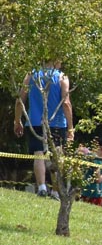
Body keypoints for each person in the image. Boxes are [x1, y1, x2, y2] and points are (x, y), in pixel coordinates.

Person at [13, 61, 73, 198]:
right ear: (56, 60)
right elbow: (66, 103)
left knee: (38, 154)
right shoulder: (62, 77)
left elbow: (20, 99)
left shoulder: (31, 75)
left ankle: (42, 188)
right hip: (56, 123)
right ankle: (56, 192)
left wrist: (17, 120)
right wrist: (70, 128)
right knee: (57, 155)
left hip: (35, 121)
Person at [80, 137, 102, 206]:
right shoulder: (96, 159)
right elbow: (97, 179)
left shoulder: (88, 156)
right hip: (94, 195)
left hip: (85, 192)